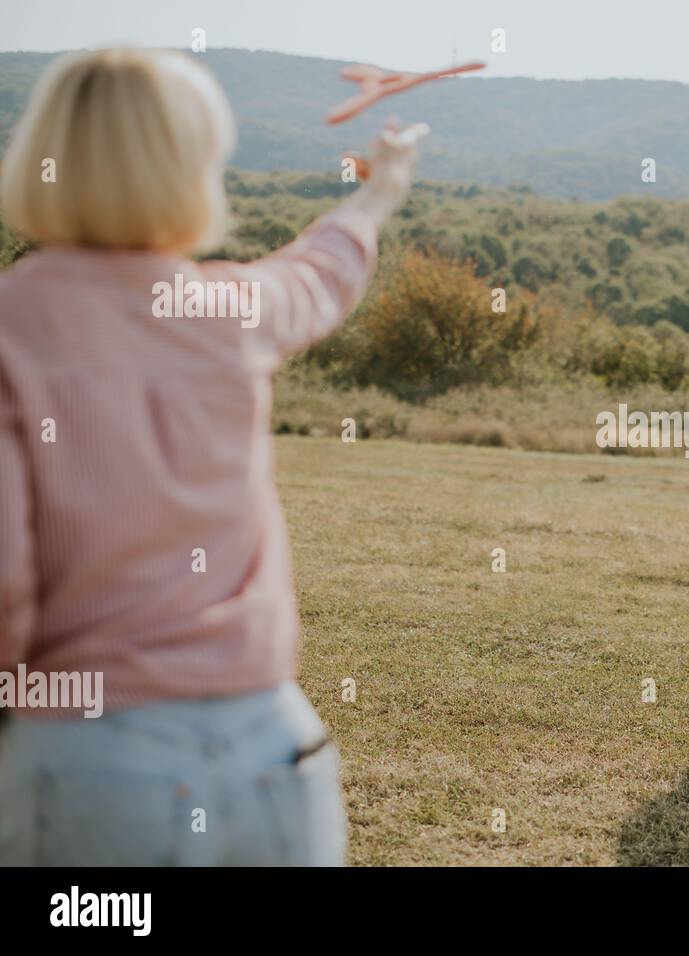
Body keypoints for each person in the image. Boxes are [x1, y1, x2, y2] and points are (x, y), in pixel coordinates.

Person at [0, 47, 420, 864]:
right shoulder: (228, 307)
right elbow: (320, 272)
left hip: (85, 769)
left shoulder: (12, 326)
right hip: (277, 753)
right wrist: (385, 186)